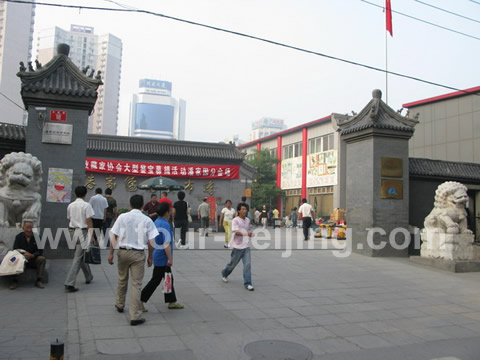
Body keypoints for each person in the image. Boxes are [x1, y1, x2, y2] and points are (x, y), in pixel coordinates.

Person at [109, 194, 159, 326]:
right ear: (142, 205)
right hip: (138, 254)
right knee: (136, 284)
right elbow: (151, 240)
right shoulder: (147, 219)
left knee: (122, 279)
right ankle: (135, 316)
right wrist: (150, 256)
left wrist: (111, 253)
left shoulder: (122, 217)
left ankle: (119, 304)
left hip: (123, 252)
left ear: (130, 205)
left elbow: (114, 235)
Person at [141, 202, 184, 310]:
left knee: (168, 278)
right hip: (162, 256)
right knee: (156, 279)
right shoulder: (165, 224)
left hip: (157, 254)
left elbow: (151, 240)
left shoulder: (156, 222)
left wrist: (150, 255)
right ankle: (140, 300)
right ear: (167, 212)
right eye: (170, 209)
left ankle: (172, 301)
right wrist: (170, 258)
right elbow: (166, 244)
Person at [64, 186, 94, 293]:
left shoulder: (70, 205)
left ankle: (89, 276)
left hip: (71, 231)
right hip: (82, 231)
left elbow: (69, 218)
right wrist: (91, 235)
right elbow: (89, 221)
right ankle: (69, 282)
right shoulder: (86, 205)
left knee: (79, 256)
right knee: (78, 258)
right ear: (85, 194)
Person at [221, 204, 254, 291]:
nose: (244, 211)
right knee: (232, 264)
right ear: (238, 211)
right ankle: (224, 273)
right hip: (237, 247)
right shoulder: (235, 220)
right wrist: (247, 234)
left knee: (247, 265)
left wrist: (249, 233)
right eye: (242, 209)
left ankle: (248, 283)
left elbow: (248, 228)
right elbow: (236, 232)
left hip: (246, 246)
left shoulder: (247, 220)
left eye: (246, 209)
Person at [8, 221, 46, 290]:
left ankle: (38, 280)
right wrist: (23, 254)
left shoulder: (37, 237)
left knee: (42, 259)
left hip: (33, 258)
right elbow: (15, 249)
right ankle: (14, 281)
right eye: (27, 228)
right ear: (23, 228)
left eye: (31, 228)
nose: (29, 230)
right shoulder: (18, 237)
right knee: (14, 259)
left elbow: (40, 250)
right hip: (22, 259)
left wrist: (33, 255)